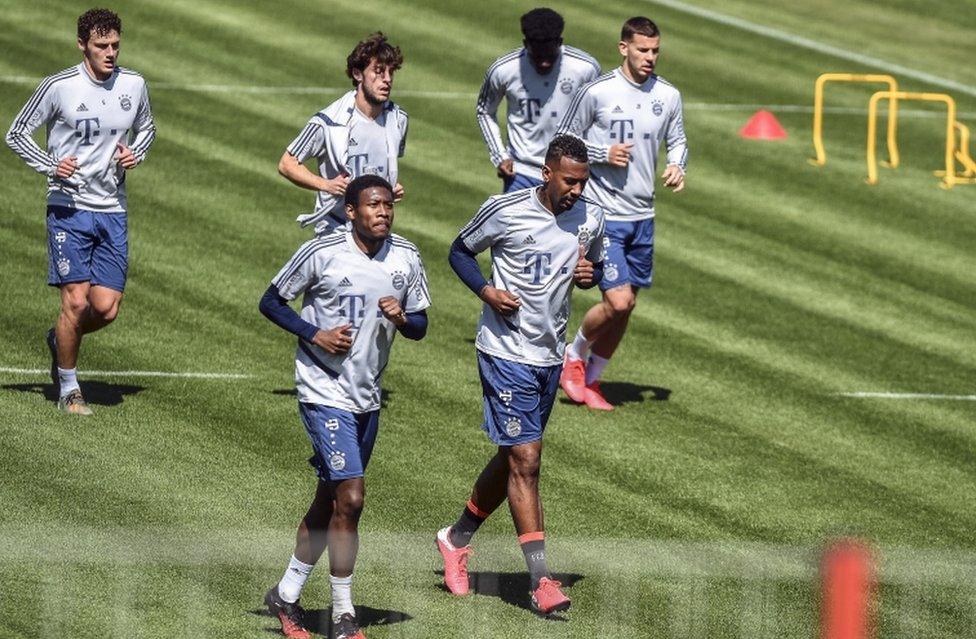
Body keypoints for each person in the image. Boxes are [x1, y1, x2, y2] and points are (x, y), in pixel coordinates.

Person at [437, 135, 604, 615]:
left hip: (548, 356)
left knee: (514, 456)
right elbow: (459, 252)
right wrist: (487, 292)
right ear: (547, 173)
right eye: (570, 180)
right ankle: (541, 580)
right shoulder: (505, 209)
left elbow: (586, 266)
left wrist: (587, 275)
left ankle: (456, 537)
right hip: (504, 352)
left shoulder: (590, 217)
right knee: (527, 458)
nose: (576, 190)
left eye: (583, 182)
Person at [259, 175, 430, 639]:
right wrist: (315, 333)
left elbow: (420, 325)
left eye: (387, 206)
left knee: (330, 499)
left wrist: (403, 318)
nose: (383, 212)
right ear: (351, 211)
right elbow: (271, 301)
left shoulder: (406, 257)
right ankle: (342, 614)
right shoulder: (323, 252)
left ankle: (285, 595)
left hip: (366, 396)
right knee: (351, 498)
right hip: (322, 389)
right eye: (372, 205)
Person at [5, 7, 156, 415]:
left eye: (115, 46)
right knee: (75, 302)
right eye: (101, 46)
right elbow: (16, 133)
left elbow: (148, 129)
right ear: (82, 45)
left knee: (105, 308)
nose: (110, 53)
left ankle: (59, 339)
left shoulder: (135, 84)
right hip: (68, 206)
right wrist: (51, 165)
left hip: (112, 208)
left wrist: (134, 153)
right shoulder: (59, 86)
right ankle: (70, 389)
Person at [556, 16, 688, 411]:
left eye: (655, 51)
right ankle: (573, 355)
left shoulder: (669, 95)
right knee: (619, 302)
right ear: (623, 48)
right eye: (642, 50)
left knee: (628, 307)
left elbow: (678, 141)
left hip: (642, 217)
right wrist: (601, 154)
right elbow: (564, 140)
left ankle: (593, 381)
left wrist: (678, 165)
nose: (650, 57)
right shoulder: (597, 92)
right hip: (603, 214)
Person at [279, 33, 408, 237]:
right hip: (334, 230)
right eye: (379, 71)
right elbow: (287, 164)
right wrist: (326, 185)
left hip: (375, 233)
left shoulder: (398, 119)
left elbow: (382, 163)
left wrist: (390, 186)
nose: (387, 79)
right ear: (358, 74)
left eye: (391, 72)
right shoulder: (329, 122)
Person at [477, 7, 600, 193]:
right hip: (522, 174)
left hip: (568, 175)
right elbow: (484, 111)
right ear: (525, 43)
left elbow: (601, 116)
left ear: (560, 42)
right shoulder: (503, 70)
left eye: (549, 56)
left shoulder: (585, 68)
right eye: (537, 55)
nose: (543, 62)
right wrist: (499, 155)